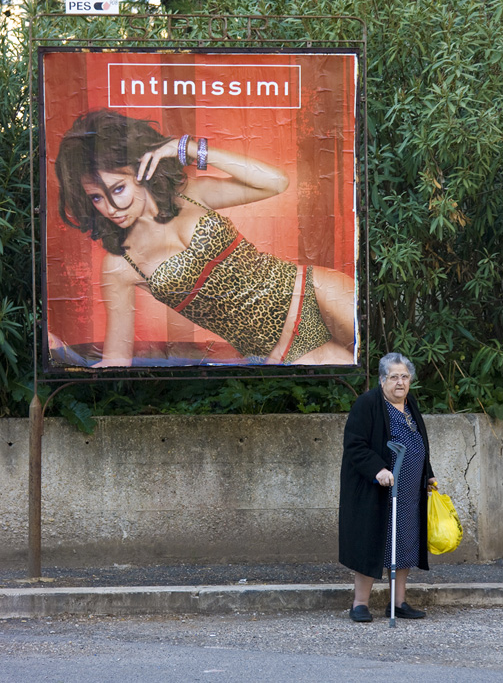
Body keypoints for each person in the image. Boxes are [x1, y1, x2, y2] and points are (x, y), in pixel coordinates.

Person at [55, 109, 355, 367]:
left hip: (313, 289)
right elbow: (117, 362)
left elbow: (276, 182)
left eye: (118, 189)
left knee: (380, 360)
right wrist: (65, 357)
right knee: (364, 395)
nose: (110, 208)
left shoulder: (189, 194)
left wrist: (187, 149)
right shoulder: (119, 265)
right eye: (96, 198)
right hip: (279, 347)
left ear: (140, 171)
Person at [338, 352, 437, 622]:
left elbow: (418, 444)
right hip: (376, 491)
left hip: (409, 493)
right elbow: (355, 445)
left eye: (404, 376)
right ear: (382, 380)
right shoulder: (368, 403)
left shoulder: (409, 404)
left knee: (405, 542)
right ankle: (360, 604)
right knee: (370, 543)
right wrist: (378, 469)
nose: (400, 382)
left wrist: (427, 474)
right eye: (394, 377)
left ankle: (398, 602)